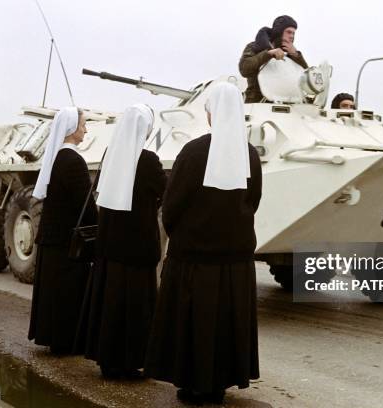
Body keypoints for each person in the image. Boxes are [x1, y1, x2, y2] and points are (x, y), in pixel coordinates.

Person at [145, 82, 262, 405]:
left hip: (194, 258)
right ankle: (219, 382)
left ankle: (191, 383)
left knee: (193, 326)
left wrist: (182, 235)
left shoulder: (194, 152)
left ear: (211, 115)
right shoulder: (249, 153)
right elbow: (254, 200)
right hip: (234, 260)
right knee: (225, 324)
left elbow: (173, 204)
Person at [78, 104, 166, 379]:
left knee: (110, 306)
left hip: (109, 247)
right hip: (137, 248)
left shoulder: (111, 156)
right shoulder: (148, 160)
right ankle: (129, 362)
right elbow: (165, 192)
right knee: (134, 309)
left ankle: (108, 360)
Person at [28, 107, 97, 355]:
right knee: (66, 292)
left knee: (53, 291)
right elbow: (84, 203)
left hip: (52, 236)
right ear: (71, 128)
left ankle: (53, 336)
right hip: (67, 239)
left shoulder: (57, 157)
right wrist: (97, 225)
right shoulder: (74, 160)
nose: (86, 129)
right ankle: (64, 340)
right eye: (83, 125)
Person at [239, 15, 308, 103]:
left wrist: (296, 55)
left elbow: (306, 76)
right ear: (279, 32)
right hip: (256, 102)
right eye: (289, 32)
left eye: (293, 33)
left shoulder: (290, 55)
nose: (292, 36)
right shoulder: (254, 47)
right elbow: (244, 68)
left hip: (286, 102)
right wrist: (268, 54)